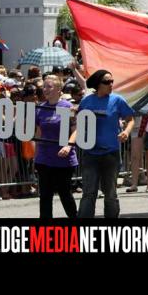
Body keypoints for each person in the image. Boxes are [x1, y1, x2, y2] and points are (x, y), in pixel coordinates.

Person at [77, 69, 135, 218]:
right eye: (106, 82)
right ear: (98, 84)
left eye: (112, 81)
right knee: (89, 193)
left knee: (110, 193)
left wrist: (126, 132)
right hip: (90, 154)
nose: (110, 84)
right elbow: (79, 125)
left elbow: (130, 119)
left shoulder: (118, 100)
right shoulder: (86, 102)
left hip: (111, 154)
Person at [34, 74, 78, 219]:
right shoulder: (40, 108)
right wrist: (36, 155)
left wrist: (68, 146)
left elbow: (75, 130)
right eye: (44, 87)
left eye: (49, 86)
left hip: (63, 159)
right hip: (44, 159)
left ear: (59, 89)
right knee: (45, 196)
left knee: (65, 193)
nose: (45, 89)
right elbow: (38, 133)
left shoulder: (67, 106)